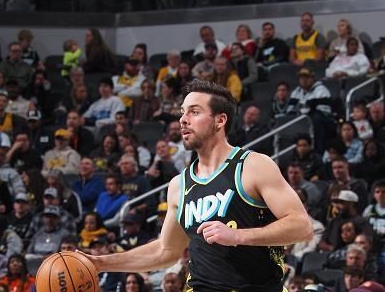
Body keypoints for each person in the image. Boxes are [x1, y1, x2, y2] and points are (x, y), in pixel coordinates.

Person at [79, 79, 313, 291]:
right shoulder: (178, 185)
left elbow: (302, 227)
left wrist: (238, 236)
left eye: (194, 111)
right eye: (182, 113)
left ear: (220, 120)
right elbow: (166, 251)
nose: (183, 119)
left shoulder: (253, 165)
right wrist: (101, 263)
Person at [287, 67, 335, 154]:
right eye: (301, 78)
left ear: (312, 78)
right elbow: (290, 110)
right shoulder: (296, 92)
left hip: (319, 123)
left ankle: (318, 152)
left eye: (306, 77)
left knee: (317, 119)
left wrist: (306, 115)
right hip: (301, 122)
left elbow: (324, 111)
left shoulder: (321, 90)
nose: (303, 80)